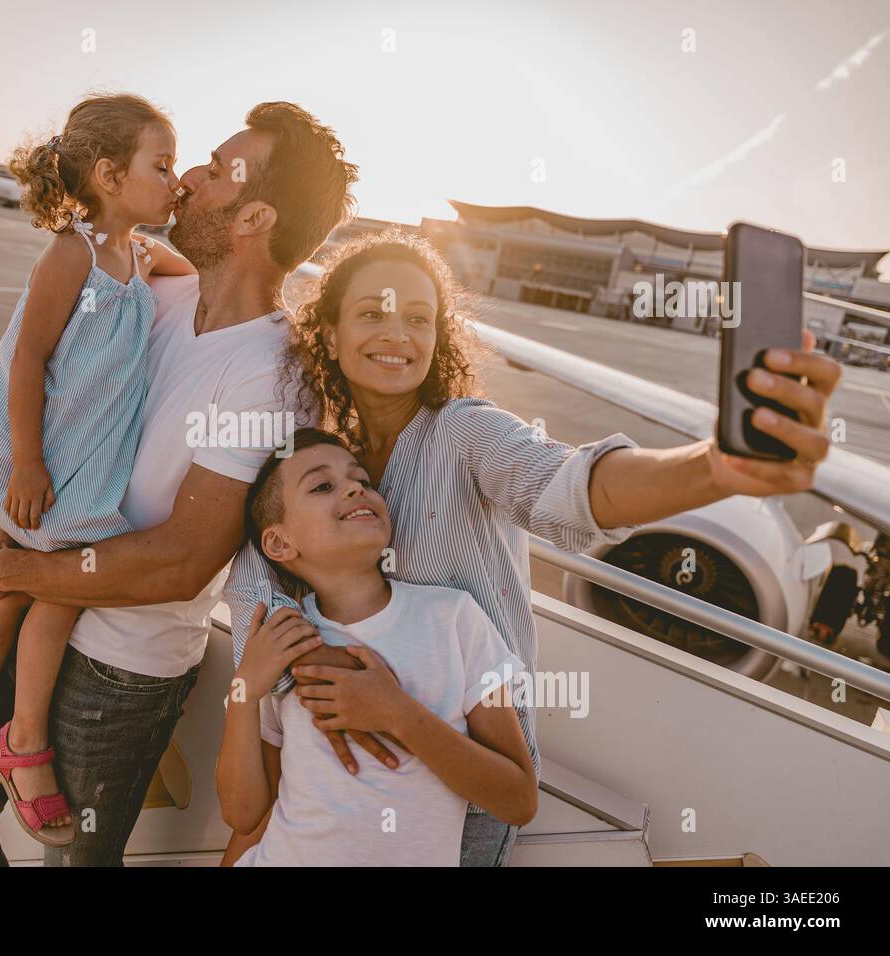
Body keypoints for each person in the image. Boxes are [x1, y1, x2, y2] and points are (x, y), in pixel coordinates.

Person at [222, 228, 842, 866]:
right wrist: (325, 682)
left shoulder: (465, 433)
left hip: (468, 775)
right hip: (330, 772)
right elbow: (255, 594)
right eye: (372, 314)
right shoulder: (330, 466)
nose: (398, 335)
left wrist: (713, 467)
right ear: (329, 334)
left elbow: (576, 489)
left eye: (418, 318)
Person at [0, 101, 357, 865]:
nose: (187, 179)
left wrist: (22, 566)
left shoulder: (271, 376)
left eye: (215, 172)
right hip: (33, 606)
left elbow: (184, 558)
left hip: (120, 665)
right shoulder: (157, 296)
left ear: (254, 217)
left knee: (72, 861)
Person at [0, 93, 193, 847]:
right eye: (161, 166)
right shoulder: (72, 254)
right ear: (107, 173)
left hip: (84, 454)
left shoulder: (137, 254)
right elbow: (28, 359)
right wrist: (29, 464)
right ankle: (15, 738)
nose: (175, 181)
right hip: (42, 452)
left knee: (40, 578)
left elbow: (186, 269)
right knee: (45, 581)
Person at [217, 428, 537, 865]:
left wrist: (398, 714)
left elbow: (518, 800)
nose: (354, 487)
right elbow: (244, 813)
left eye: (363, 481)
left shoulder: (453, 618)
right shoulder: (279, 643)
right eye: (322, 486)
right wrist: (244, 691)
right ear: (278, 543)